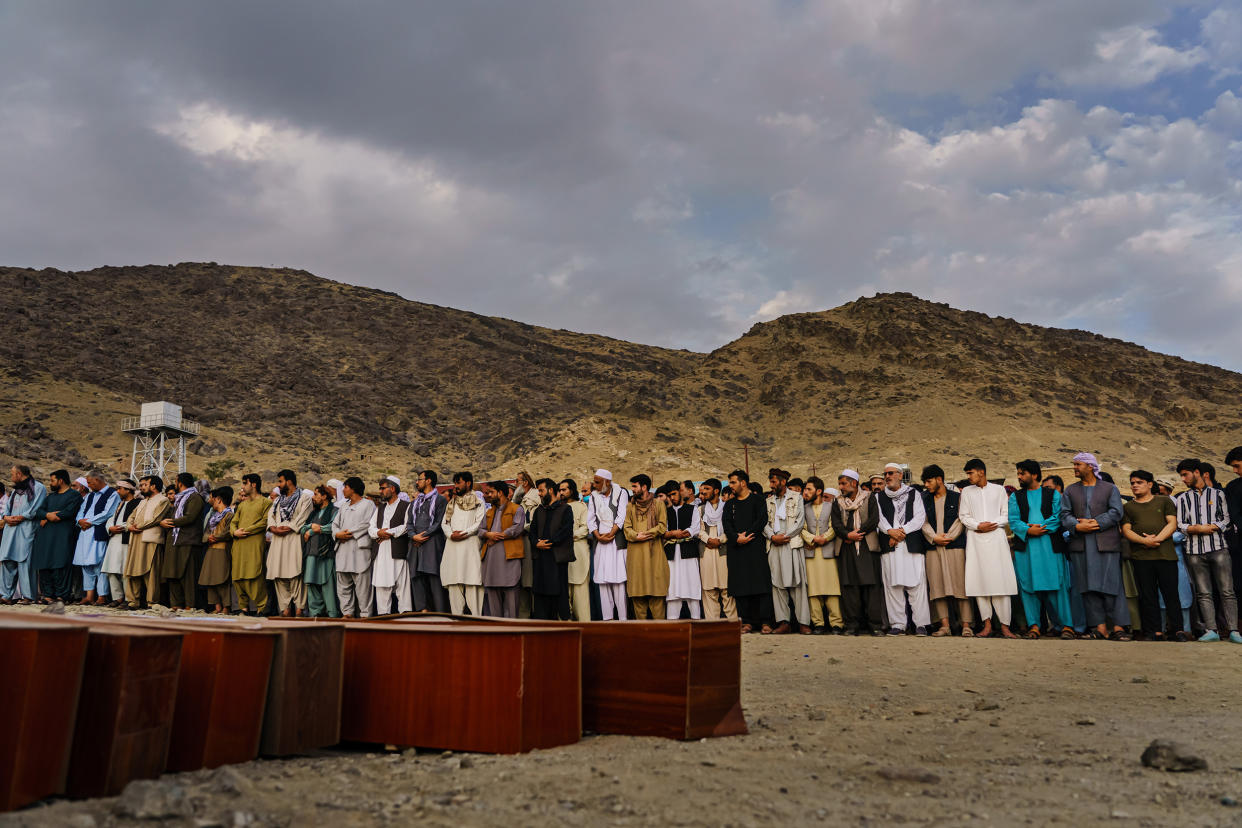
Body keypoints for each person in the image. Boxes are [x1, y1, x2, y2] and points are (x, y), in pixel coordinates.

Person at [1058, 452, 1130, 640]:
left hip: (1106, 543)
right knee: (1087, 587)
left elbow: (1116, 511)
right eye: (1074, 464)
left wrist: (1096, 523)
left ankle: (1119, 627)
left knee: (1112, 585)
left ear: (1090, 466)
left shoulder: (1109, 488)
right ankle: (1100, 628)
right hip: (1081, 544)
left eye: (1078, 464)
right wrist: (1077, 525)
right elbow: (1064, 515)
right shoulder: (1070, 490)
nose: (1074, 468)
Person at [1008, 460, 1073, 639]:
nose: (1019, 477)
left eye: (1023, 473)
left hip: (1049, 546)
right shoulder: (1016, 497)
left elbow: (1058, 516)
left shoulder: (1052, 494)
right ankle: (1034, 626)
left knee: (1056, 585)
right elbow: (1013, 520)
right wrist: (1028, 530)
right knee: (1028, 586)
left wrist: (1040, 527)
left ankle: (1066, 626)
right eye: (1018, 473)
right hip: (1026, 547)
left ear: (1034, 475)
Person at [1175, 459, 1238, 643]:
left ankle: (1234, 630)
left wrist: (1211, 527)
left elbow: (1226, 519)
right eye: (1181, 475)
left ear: (1197, 472)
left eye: (1185, 474)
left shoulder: (1218, 494)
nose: (1183, 479)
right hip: (1194, 550)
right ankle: (1212, 630)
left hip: (1218, 548)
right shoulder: (1183, 498)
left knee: (1227, 591)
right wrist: (1196, 529)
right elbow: (1180, 524)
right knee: (1203, 592)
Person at [959, 459, 1018, 639]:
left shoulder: (998, 490)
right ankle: (987, 625)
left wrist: (991, 525)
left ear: (981, 472)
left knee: (1001, 582)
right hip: (976, 540)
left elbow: (1006, 514)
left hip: (996, 539)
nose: (969, 477)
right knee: (980, 582)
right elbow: (964, 516)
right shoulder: (967, 492)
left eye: (971, 473)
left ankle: (1005, 626)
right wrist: (978, 526)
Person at [1121, 470, 1182, 641]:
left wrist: (1157, 539)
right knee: (1148, 596)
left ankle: (1177, 630)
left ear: (1149, 484)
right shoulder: (1128, 507)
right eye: (1132, 483)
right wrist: (1144, 541)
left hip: (1166, 556)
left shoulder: (1164, 501)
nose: (1134, 485)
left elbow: (1172, 523)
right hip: (1141, 557)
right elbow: (1126, 530)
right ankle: (1154, 631)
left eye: (1139, 482)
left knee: (1171, 594)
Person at [876, 462, 930, 636]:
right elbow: (879, 519)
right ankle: (898, 624)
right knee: (893, 586)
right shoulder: (879, 497)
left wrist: (901, 531)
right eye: (885, 474)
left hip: (911, 544)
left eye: (891, 473)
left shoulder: (913, 493)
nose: (887, 477)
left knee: (916, 585)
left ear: (900, 475)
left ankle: (920, 624)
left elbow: (919, 517)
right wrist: (890, 531)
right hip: (890, 546)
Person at [919, 465, 973, 637]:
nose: (926, 485)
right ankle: (945, 626)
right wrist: (934, 537)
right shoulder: (924, 499)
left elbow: (961, 519)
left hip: (954, 547)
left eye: (928, 481)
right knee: (937, 587)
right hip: (933, 548)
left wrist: (948, 537)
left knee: (960, 587)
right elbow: (922, 522)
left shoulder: (958, 497)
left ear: (939, 480)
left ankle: (966, 625)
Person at [831, 470, 885, 636]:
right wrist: (848, 535)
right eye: (840, 484)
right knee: (849, 587)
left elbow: (874, 519)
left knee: (872, 587)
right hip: (847, 547)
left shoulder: (869, 497)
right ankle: (852, 626)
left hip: (867, 546)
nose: (840, 487)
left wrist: (858, 533)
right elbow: (836, 523)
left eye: (843, 484)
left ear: (853, 483)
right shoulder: (837, 501)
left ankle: (875, 625)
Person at [723, 469, 773, 633]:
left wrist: (747, 535)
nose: (730, 486)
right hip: (737, 549)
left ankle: (765, 622)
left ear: (743, 483)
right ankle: (746, 622)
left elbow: (761, 520)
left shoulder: (758, 500)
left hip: (755, 547)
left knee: (760, 584)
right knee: (741, 585)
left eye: (733, 482)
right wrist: (736, 538)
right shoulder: (729, 504)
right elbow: (726, 524)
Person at [765, 468, 810, 635]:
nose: (771, 485)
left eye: (773, 482)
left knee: (798, 584)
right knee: (777, 585)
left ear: (783, 482)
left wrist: (784, 537)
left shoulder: (797, 497)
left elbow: (799, 522)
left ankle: (803, 623)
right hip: (774, 546)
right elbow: (764, 523)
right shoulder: (768, 501)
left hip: (791, 544)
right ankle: (784, 622)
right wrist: (772, 537)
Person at [266, 469, 313, 617]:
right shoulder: (278, 500)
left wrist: (288, 528)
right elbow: (271, 516)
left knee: (295, 573)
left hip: (294, 539)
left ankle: (299, 609)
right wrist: (273, 528)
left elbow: (303, 517)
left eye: (280, 481)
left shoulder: (304, 498)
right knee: (278, 575)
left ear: (289, 481)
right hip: (278, 540)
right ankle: (285, 609)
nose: (278, 484)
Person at [32, 469, 82, 603]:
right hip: (46, 535)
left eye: (52, 480)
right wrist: (48, 515)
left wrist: (52, 515)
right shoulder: (50, 497)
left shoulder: (74, 496)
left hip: (63, 534)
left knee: (60, 564)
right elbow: (39, 512)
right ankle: (47, 595)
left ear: (61, 480)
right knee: (45, 564)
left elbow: (69, 512)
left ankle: (62, 595)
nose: (50, 483)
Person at [623, 474, 668, 620]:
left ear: (644, 487)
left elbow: (662, 526)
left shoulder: (658, 504)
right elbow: (626, 528)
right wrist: (636, 536)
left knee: (657, 597)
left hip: (654, 553)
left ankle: (661, 633)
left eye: (635, 486)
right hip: (636, 556)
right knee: (638, 597)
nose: (632, 489)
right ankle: (642, 635)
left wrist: (647, 533)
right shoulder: (630, 506)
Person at [800, 476, 842, 634]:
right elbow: (801, 528)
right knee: (813, 589)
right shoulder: (803, 509)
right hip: (810, 553)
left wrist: (824, 538)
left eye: (809, 489)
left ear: (818, 491)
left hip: (827, 552)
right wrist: (812, 539)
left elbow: (835, 526)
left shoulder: (831, 507)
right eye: (805, 489)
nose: (806, 492)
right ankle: (818, 623)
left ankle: (836, 623)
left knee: (832, 588)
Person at [159, 472, 205, 610]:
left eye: (176, 480)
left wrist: (170, 522)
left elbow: (190, 517)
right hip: (174, 540)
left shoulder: (195, 497)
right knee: (172, 573)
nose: (175, 483)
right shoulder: (179, 499)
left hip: (188, 540)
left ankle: (190, 605)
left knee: (188, 575)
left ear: (180, 483)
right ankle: (176, 604)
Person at [72, 470, 119, 606]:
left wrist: (89, 522)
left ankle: (102, 596)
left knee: (99, 564)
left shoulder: (112, 494)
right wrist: (80, 521)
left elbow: (108, 513)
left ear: (98, 480)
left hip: (98, 531)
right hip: (85, 532)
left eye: (90, 483)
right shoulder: (90, 496)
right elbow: (81, 510)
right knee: (85, 565)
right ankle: (89, 596)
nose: (89, 485)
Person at [1, 465, 47, 604]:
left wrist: (22, 517)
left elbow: (36, 508)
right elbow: (7, 509)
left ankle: (28, 596)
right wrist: (6, 517)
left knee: (25, 563)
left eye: (13, 474)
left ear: (19, 474)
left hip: (26, 529)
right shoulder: (16, 490)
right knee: (7, 561)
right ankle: (6, 596)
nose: (11, 477)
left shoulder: (38, 488)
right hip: (11, 530)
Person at [441, 472, 485, 615]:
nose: (456, 486)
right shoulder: (452, 503)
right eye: (455, 483)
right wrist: (451, 534)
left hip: (470, 547)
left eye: (458, 483)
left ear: (468, 483)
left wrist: (463, 533)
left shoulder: (478, 502)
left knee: (472, 582)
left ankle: (478, 621)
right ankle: (456, 622)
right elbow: (444, 523)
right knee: (454, 583)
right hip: (452, 548)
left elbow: (479, 523)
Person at [587, 469, 629, 620]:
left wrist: (611, 534)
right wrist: (598, 536)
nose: (595, 485)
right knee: (603, 582)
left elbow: (621, 516)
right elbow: (590, 519)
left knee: (619, 583)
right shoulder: (593, 496)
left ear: (608, 482)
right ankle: (608, 620)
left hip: (616, 543)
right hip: (601, 543)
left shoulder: (621, 493)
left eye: (598, 482)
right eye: (595, 482)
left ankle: (623, 620)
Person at [530, 477, 573, 620]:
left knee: (558, 595)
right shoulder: (539, 511)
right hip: (540, 560)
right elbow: (532, 531)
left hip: (557, 560)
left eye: (541, 491)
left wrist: (548, 542)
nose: (539, 494)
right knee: (540, 596)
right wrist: (536, 543)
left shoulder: (566, 509)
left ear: (550, 490)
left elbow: (565, 531)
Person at [479, 480, 525, 618]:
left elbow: (517, 528)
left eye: (491, 492)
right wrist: (488, 534)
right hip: (491, 562)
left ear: (500, 493)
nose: (488, 495)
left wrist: (498, 536)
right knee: (493, 602)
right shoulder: (489, 512)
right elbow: (480, 530)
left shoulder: (517, 509)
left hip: (509, 560)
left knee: (511, 603)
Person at [124, 475, 170, 610]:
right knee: (133, 570)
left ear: (153, 486)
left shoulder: (163, 500)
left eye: (144, 485)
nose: (141, 487)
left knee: (151, 571)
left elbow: (156, 518)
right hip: (136, 538)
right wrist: (129, 526)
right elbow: (131, 516)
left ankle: (152, 602)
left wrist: (137, 527)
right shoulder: (142, 501)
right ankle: (133, 601)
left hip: (150, 539)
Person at [333, 476, 377, 617]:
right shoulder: (344, 506)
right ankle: (347, 613)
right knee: (343, 585)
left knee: (363, 586)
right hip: (343, 549)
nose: (343, 490)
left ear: (353, 489)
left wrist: (349, 532)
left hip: (359, 550)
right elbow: (335, 524)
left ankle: (365, 614)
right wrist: (337, 534)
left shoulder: (368, 504)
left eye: (345, 487)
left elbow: (367, 523)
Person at [229, 473, 272, 616]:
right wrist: (235, 532)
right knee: (238, 576)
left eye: (244, 483)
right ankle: (243, 608)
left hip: (253, 544)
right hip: (239, 544)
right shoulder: (242, 505)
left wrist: (245, 531)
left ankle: (262, 607)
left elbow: (264, 522)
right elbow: (234, 522)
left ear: (253, 484)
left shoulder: (266, 503)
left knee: (254, 574)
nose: (242, 487)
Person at [370, 475, 412, 615]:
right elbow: (371, 528)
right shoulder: (380, 508)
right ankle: (383, 615)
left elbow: (406, 527)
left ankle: (405, 615)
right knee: (381, 585)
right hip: (381, 552)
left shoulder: (406, 506)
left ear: (392, 489)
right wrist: (378, 533)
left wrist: (387, 533)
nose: (380, 491)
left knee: (402, 586)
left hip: (398, 550)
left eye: (383, 488)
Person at [408, 470, 448, 613]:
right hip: (415, 546)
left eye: (420, 479)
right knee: (416, 578)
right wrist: (413, 536)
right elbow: (409, 523)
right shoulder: (415, 502)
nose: (417, 482)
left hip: (432, 545)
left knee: (434, 579)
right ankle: (422, 610)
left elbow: (438, 523)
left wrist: (422, 536)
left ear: (429, 481)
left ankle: (440, 613)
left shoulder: (441, 500)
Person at [697, 478, 737, 621]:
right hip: (706, 550)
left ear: (716, 491)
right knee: (708, 590)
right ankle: (712, 624)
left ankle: (733, 623)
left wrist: (720, 540)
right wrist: (708, 539)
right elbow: (698, 529)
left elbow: (732, 528)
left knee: (726, 589)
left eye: (707, 489)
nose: (703, 492)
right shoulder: (700, 509)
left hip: (723, 550)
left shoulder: (727, 507)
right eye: (703, 489)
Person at [662, 482, 701, 619]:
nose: (672, 498)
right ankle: (672, 624)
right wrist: (673, 534)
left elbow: (695, 528)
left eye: (674, 494)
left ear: (680, 492)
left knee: (692, 586)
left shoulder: (692, 509)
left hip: (689, 552)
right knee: (672, 589)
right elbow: (663, 531)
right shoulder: (666, 512)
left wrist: (682, 533)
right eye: (669, 495)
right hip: (671, 554)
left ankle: (696, 621)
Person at [301, 485, 339, 618]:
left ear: (324, 496)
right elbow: (303, 528)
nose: (313, 497)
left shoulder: (335, 511)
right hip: (311, 554)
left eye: (316, 494)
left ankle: (333, 615)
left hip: (326, 554)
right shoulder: (313, 513)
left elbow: (333, 527)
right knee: (311, 585)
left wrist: (314, 530)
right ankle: (315, 614)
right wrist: (311, 527)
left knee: (327, 586)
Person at [102, 479, 139, 607]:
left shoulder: (137, 503)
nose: (117, 491)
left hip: (126, 539)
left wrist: (121, 527)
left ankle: (128, 599)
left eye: (120, 488)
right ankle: (117, 597)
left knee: (124, 570)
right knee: (111, 570)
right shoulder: (120, 503)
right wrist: (110, 528)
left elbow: (134, 521)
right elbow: (110, 519)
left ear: (128, 490)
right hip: (114, 539)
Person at [562, 478, 592, 621]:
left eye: (564, 490)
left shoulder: (581, 507)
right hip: (562, 556)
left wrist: (568, 536)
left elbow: (585, 528)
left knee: (581, 601)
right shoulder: (558, 507)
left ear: (571, 491)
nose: (561, 492)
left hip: (578, 554)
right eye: (560, 490)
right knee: (563, 600)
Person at [201, 486, 234, 613]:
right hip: (211, 549)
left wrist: (216, 537)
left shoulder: (230, 515)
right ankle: (217, 607)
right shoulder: (213, 517)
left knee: (222, 579)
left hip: (222, 549)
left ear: (219, 500)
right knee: (210, 578)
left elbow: (228, 532)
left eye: (214, 500)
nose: (212, 502)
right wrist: (209, 537)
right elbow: (205, 533)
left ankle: (226, 607)